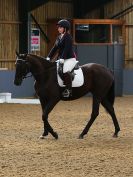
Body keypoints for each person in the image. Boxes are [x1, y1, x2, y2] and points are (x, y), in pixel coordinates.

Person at [46, 19, 77, 97]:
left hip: (69, 59)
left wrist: (62, 58)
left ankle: (69, 90)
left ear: (65, 28)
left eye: (60, 27)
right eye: (58, 27)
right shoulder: (59, 37)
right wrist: (48, 57)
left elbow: (67, 49)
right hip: (61, 59)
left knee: (65, 70)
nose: (58, 29)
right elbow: (54, 48)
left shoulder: (68, 37)